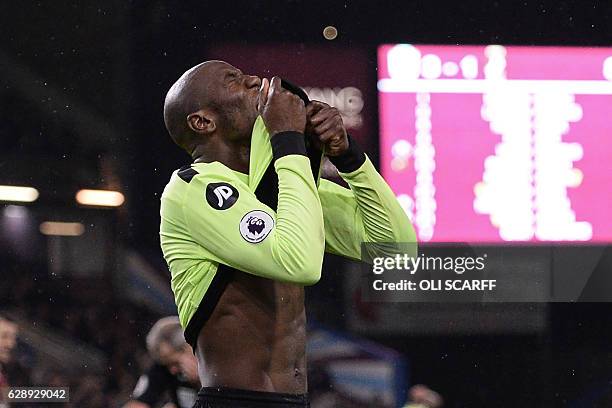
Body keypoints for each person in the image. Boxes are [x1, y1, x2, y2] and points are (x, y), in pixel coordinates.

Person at [160, 60, 417, 407]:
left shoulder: (285, 187)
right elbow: (300, 264)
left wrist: (349, 156)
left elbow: (397, 251)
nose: (253, 80)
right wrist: (289, 141)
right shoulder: (191, 190)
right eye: (233, 80)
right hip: (235, 402)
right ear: (203, 122)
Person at [124, 317, 199, 408]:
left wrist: (202, 382)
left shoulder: (215, 361)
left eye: (175, 363)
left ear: (188, 348)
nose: (172, 370)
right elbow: (137, 405)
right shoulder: (163, 368)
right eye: (167, 364)